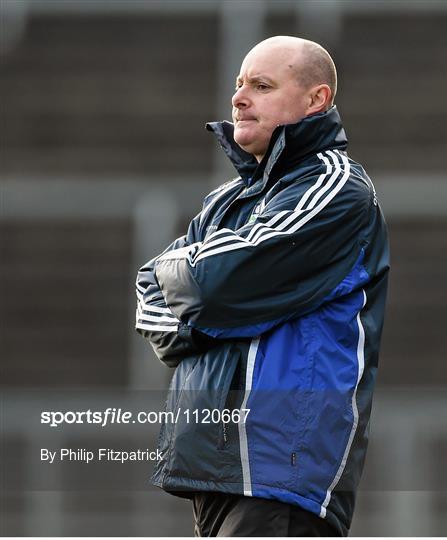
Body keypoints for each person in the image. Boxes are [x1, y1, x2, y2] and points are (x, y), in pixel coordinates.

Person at [135, 35, 389, 537]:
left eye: (262, 85)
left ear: (315, 100)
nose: (239, 98)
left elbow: (212, 285)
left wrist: (202, 300)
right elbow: (148, 297)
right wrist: (208, 307)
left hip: (279, 467)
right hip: (213, 461)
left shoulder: (337, 188)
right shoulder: (224, 201)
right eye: (238, 84)